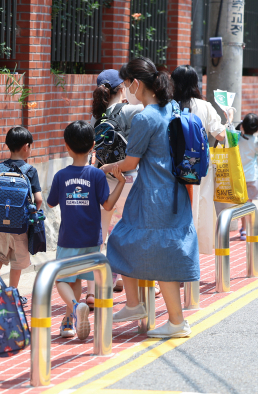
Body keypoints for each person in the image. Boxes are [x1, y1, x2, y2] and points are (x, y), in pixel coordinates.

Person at [101, 58, 200, 338]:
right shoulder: (171, 107)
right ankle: (146, 309)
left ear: (135, 83)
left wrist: (109, 167)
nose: (126, 89)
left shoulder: (145, 117)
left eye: (127, 83)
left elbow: (131, 162)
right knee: (159, 251)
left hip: (152, 195)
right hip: (175, 191)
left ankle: (158, 314)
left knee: (121, 240)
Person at [47, 120, 125, 340]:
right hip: (91, 240)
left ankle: (74, 306)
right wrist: (120, 182)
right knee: (79, 280)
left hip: (68, 239)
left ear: (66, 145)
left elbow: (51, 203)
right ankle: (69, 320)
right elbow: (108, 205)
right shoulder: (97, 175)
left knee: (63, 281)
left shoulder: (61, 176)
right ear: (93, 145)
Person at [89, 69, 144, 301]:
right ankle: (127, 281)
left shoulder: (95, 117)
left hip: (103, 179)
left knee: (100, 235)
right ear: (122, 88)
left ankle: (93, 291)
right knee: (126, 233)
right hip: (128, 180)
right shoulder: (132, 110)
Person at [171, 65, 232, 255]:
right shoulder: (204, 106)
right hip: (198, 168)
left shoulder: (167, 105)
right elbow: (222, 136)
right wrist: (229, 119)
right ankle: (190, 257)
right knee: (198, 209)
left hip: (172, 165)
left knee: (173, 211)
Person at [0, 127, 42, 304]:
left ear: (7, 145)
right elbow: (38, 199)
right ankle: (13, 294)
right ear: (27, 147)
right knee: (17, 263)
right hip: (20, 226)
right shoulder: (30, 170)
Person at [236, 113, 258, 240]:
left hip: (239, 176)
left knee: (243, 203)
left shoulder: (238, 139)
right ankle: (248, 228)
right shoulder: (257, 141)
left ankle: (244, 228)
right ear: (257, 128)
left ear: (243, 126)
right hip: (252, 177)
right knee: (249, 203)